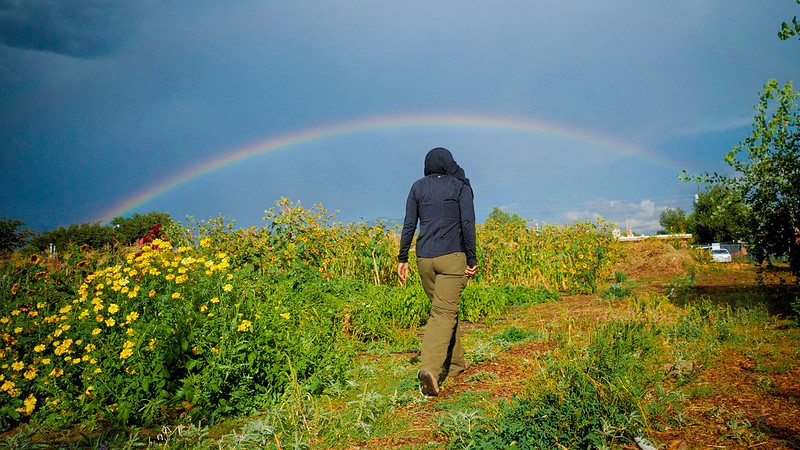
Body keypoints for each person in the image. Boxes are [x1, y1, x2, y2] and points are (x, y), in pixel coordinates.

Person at [397, 147, 478, 396]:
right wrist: (472, 258)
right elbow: (467, 222)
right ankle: (430, 370)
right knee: (443, 313)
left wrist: (402, 258)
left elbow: (410, 223)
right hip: (452, 258)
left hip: (425, 260)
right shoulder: (460, 186)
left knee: (444, 309)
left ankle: (455, 364)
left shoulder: (417, 187)